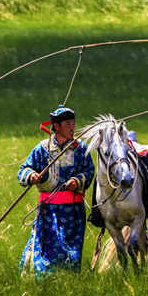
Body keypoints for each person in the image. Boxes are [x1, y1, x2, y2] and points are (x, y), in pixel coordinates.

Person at [18, 105, 95, 278]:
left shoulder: (81, 148)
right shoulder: (42, 148)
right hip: (48, 211)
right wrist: (32, 176)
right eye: (67, 124)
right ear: (56, 126)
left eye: (73, 123)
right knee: (47, 250)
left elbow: (89, 171)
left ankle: (69, 282)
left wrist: (77, 181)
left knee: (72, 250)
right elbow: (24, 169)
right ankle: (45, 280)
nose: (72, 127)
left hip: (73, 211)